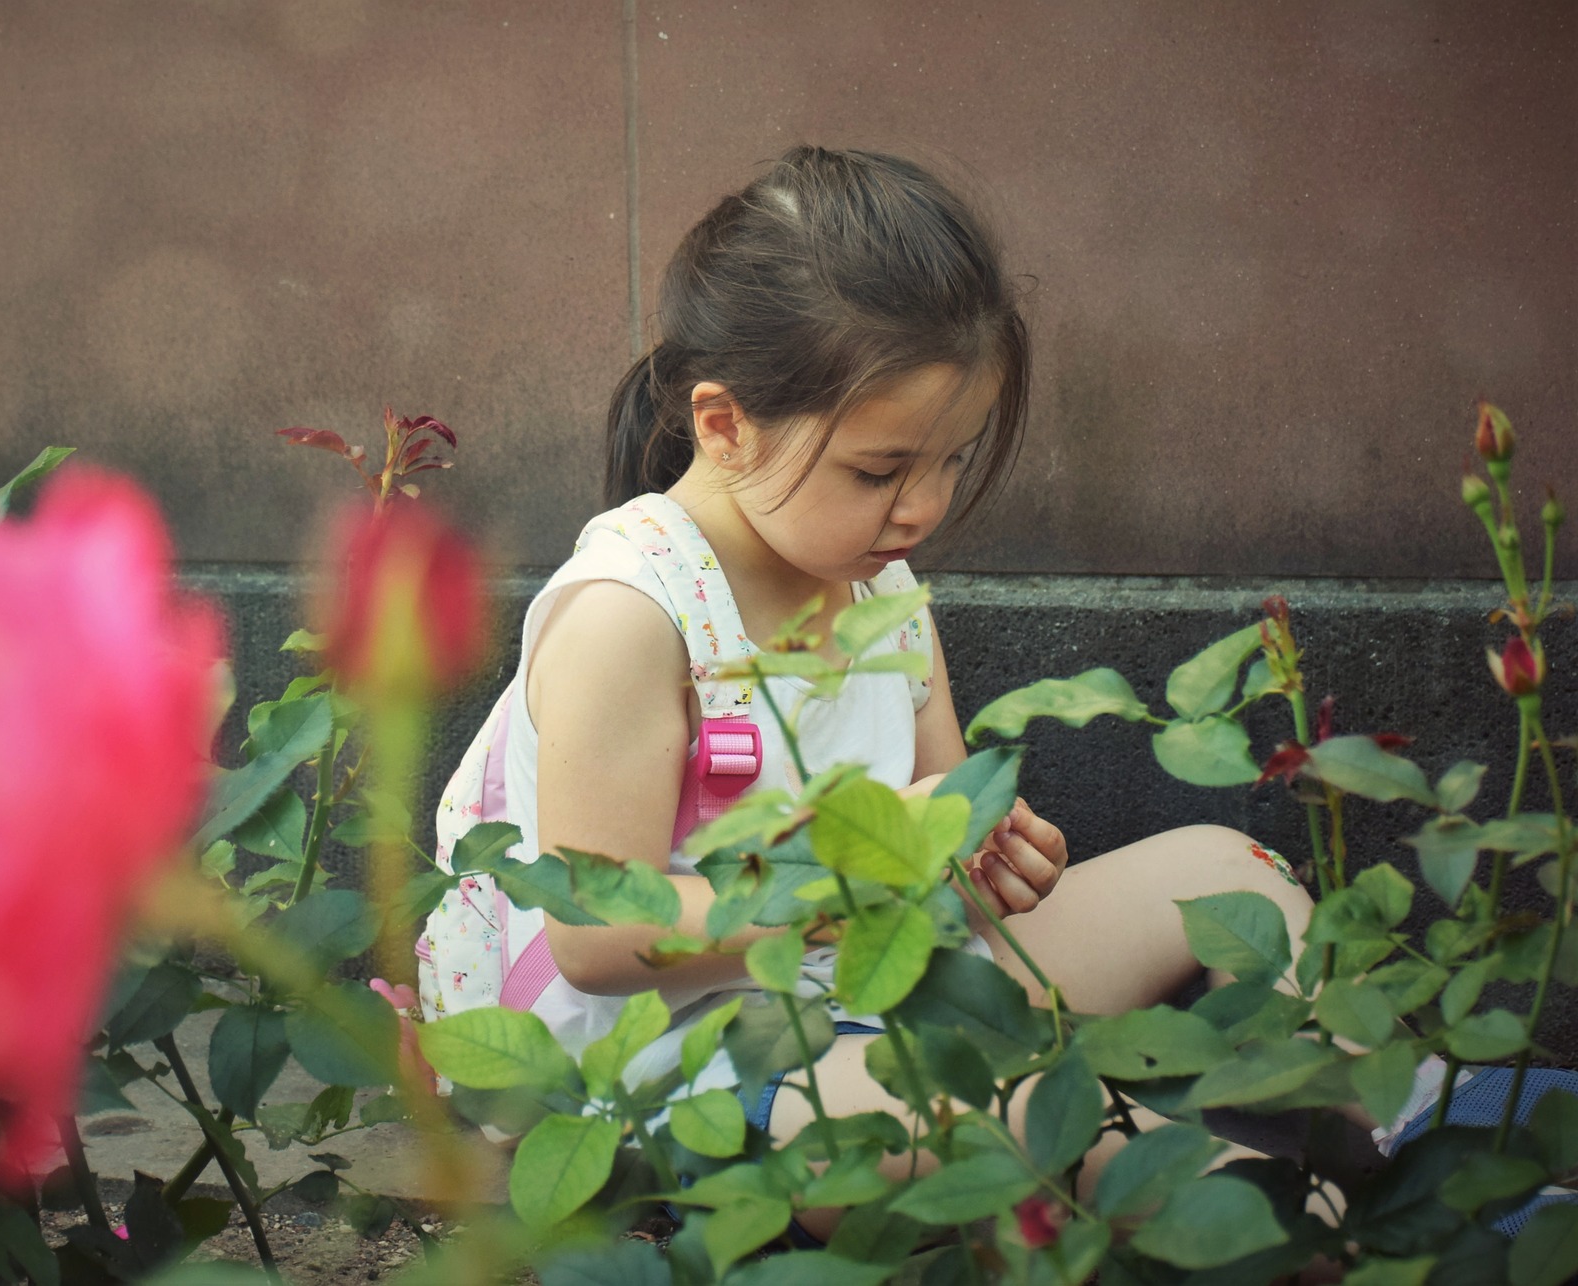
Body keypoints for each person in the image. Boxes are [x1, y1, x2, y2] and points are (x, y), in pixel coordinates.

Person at [448, 145, 1533, 1241]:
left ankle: (1414, 1117)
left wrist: (987, 859)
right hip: (684, 1065)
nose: (923, 507)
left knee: (1222, 870)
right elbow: (596, 933)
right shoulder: (631, 616)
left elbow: (942, 821)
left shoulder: (878, 583)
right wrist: (861, 878)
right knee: (1031, 1128)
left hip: (862, 988)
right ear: (725, 425)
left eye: (953, 460)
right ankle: (1362, 1229)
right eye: (881, 470)